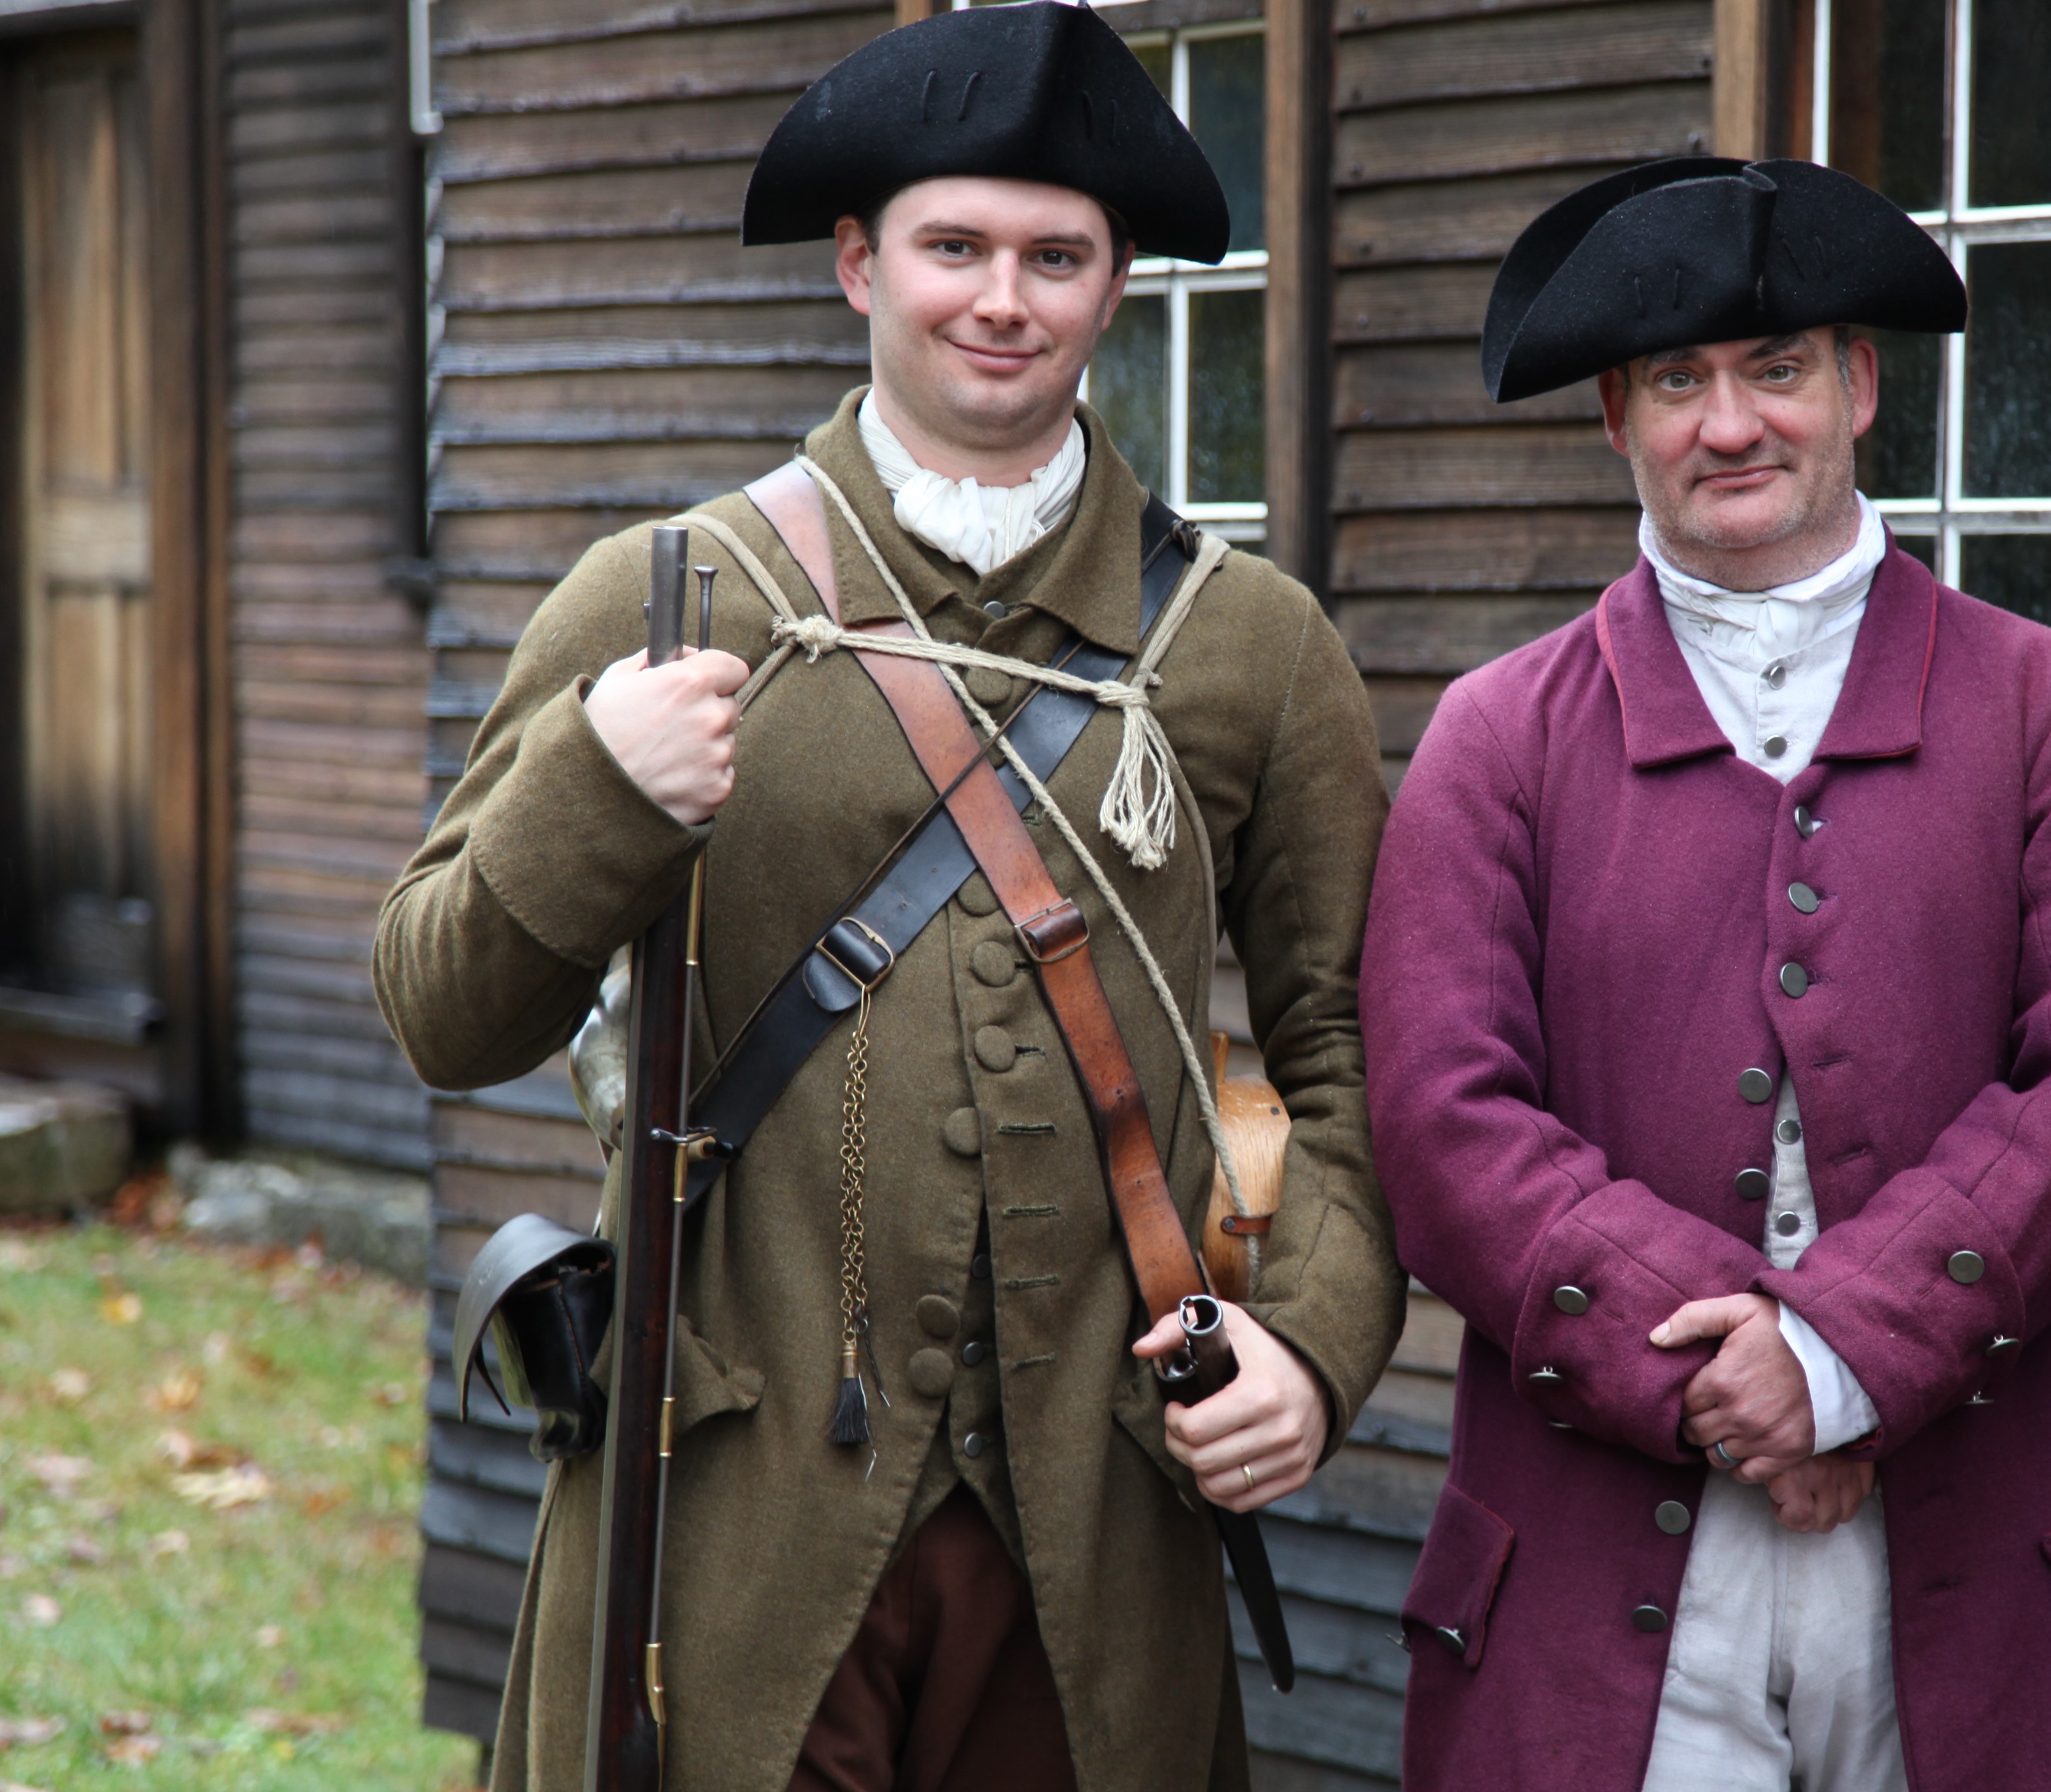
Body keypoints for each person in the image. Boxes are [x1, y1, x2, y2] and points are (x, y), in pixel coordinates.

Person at [375, 8, 1402, 1789]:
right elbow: (445, 1012)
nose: (1003, 298)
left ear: (1114, 285)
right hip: (728, 1523)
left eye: (1056, 257)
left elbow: (1361, 1049)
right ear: (861, 264)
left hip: (1100, 1518)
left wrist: (1312, 1343)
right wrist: (595, 794)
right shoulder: (670, 592)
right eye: (955, 247)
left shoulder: (1253, 650)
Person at [1363, 157, 2051, 1792]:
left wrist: (1841, 1357)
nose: (1731, 423)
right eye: (1679, 380)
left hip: (1973, 1547)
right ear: (1617, 414)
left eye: (1778, 369)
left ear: (1859, 385)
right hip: (1599, 1553)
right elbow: (1442, 1120)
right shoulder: (1497, 736)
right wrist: (1724, 1379)